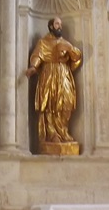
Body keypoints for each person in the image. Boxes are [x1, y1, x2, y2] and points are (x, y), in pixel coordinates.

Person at [26, 17, 82, 150]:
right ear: (51, 26)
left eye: (61, 24)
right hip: (48, 73)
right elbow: (37, 55)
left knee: (66, 102)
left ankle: (63, 131)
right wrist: (33, 67)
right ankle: (52, 134)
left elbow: (76, 59)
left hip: (64, 74)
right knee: (50, 103)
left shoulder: (65, 43)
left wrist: (70, 49)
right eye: (57, 24)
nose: (60, 26)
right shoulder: (43, 42)